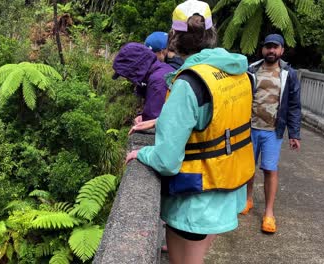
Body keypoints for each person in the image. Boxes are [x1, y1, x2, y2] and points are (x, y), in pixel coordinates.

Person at [126, 1, 255, 263]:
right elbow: (213, 119)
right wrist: (162, 121)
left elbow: (167, 160)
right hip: (228, 188)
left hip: (196, 198)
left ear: (173, 37)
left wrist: (143, 153)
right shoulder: (238, 71)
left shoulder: (189, 82)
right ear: (212, 32)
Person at [240, 34, 301, 233]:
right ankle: (247, 200)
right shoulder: (251, 70)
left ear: (282, 50)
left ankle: (268, 213)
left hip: (273, 131)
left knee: (269, 169)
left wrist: (294, 133)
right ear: (263, 49)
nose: (271, 51)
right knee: (248, 168)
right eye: (268, 47)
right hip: (250, 128)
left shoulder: (289, 74)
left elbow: (293, 106)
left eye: (275, 47)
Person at [112, 42, 174, 124]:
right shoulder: (161, 70)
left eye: (127, 75)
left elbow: (156, 122)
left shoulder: (158, 81)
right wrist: (143, 116)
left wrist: (145, 122)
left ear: (135, 68)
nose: (127, 79)